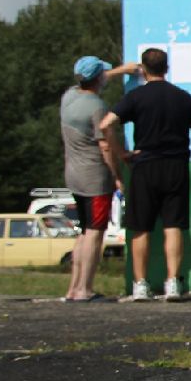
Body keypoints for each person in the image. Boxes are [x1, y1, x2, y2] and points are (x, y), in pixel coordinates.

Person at [100, 47, 191, 301]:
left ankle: (140, 284)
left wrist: (122, 153)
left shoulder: (136, 97)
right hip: (176, 166)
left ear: (144, 69)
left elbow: (106, 124)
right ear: (167, 68)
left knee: (140, 227)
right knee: (173, 226)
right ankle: (172, 282)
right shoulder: (183, 97)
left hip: (144, 165)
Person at [60, 55, 139, 302]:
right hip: (95, 178)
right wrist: (118, 172)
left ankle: (74, 288)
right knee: (95, 232)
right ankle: (85, 289)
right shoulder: (97, 108)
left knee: (84, 231)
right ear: (98, 79)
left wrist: (117, 72)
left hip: (73, 175)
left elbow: (88, 80)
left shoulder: (68, 97)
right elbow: (105, 145)